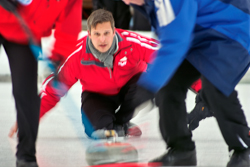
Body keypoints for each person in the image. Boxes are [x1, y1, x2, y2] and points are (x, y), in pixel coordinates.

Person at [123, 0, 250, 166]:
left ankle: (244, 149)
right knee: (168, 83)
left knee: (214, 85)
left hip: (233, 29)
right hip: (200, 36)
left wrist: (148, 85)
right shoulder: (147, 4)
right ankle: (182, 150)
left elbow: (175, 41)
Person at [38, 9, 158, 139]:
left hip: (130, 90)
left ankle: (121, 122)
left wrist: (173, 100)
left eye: (106, 33)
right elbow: (53, 89)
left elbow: (166, 55)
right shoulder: (77, 55)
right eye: (97, 34)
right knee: (98, 131)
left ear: (114, 32)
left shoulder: (131, 43)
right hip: (97, 96)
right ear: (89, 34)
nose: (102, 39)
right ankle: (113, 127)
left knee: (149, 84)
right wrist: (30, 119)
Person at [0, 0, 82, 166]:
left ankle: (26, 157)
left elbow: (69, 20)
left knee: (26, 94)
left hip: (25, 32)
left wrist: (59, 56)